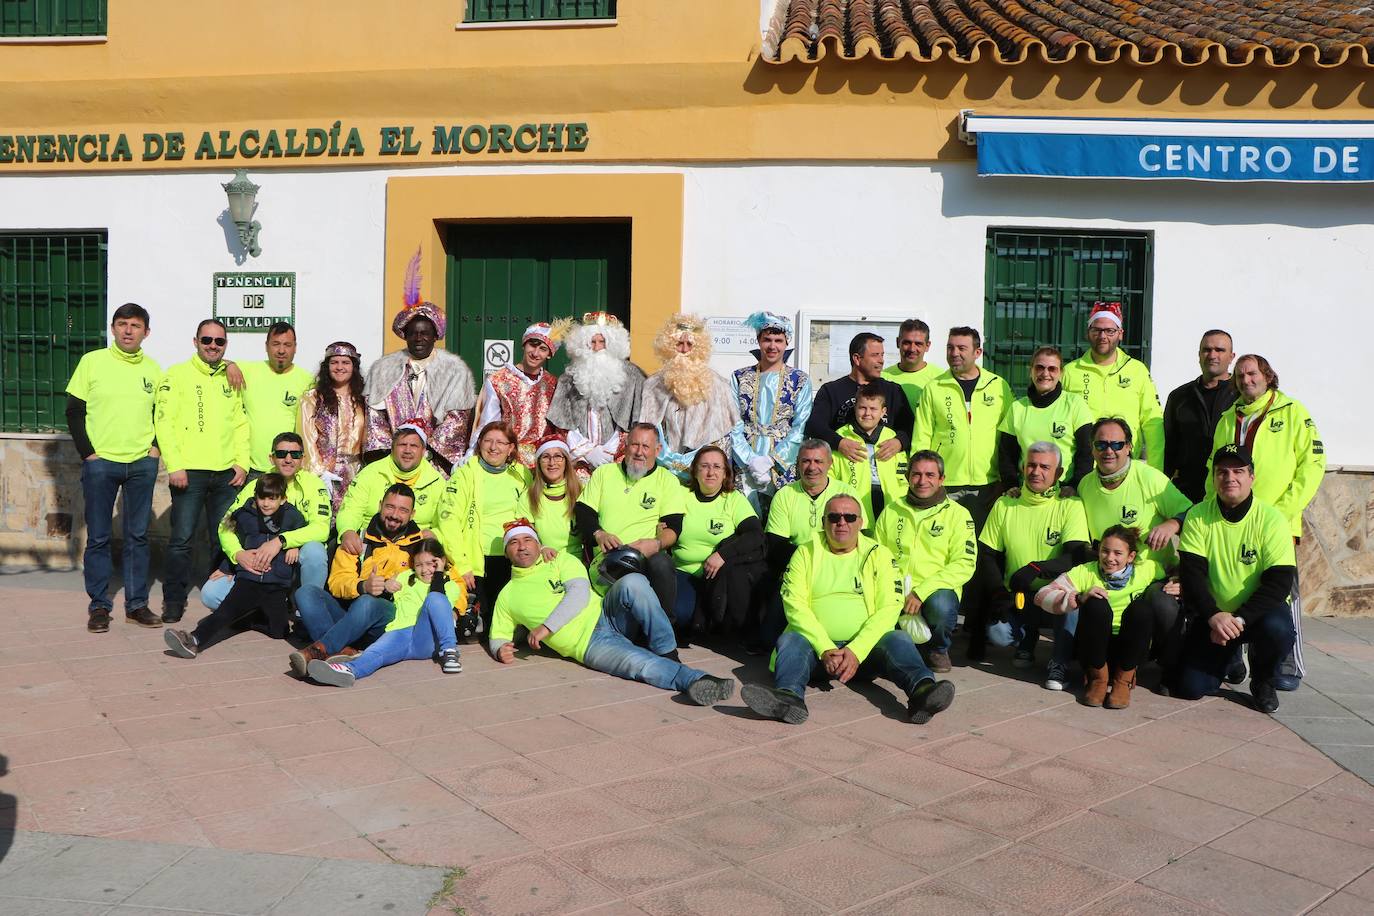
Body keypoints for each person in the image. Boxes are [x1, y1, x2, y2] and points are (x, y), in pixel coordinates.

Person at [741, 493, 956, 725]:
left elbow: (890, 608)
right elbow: (794, 604)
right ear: (823, 522)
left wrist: (856, 650)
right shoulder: (805, 553)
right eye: (833, 517)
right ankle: (789, 698)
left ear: (861, 523)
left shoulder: (880, 554)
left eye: (849, 517)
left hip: (866, 654)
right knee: (791, 640)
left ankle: (923, 692)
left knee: (898, 638)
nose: (841, 523)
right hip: (817, 653)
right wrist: (825, 648)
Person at [492, 521, 735, 705]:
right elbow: (499, 634)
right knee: (638, 665)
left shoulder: (559, 560)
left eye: (527, 539)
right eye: (514, 542)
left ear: (538, 543)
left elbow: (579, 594)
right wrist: (499, 648)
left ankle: (667, 652)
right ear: (506, 553)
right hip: (589, 645)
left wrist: (546, 628)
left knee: (634, 582)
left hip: (608, 613)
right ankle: (698, 681)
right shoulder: (507, 594)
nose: (522, 546)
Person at [1208, 354, 1324, 691]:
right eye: (1241, 375)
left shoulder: (1292, 412)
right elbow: (1211, 468)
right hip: (1230, 519)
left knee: (1283, 593)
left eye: (1253, 373)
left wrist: (1283, 512)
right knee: (1229, 585)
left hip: (1277, 521)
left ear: (1268, 376)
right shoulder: (1229, 417)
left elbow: (1312, 465)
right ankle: (1232, 654)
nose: (1246, 380)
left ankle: (1285, 664)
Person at [1172, 445, 1297, 714]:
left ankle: (1263, 680)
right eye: (1222, 472)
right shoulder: (1197, 516)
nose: (1230, 478)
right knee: (1189, 689)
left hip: (1256, 616)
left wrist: (1239, 619)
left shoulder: (1272, 520)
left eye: (1238, 471)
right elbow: (1192, 577)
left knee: (1279, 629)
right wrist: (1214, 616)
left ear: (1252, 477)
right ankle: (1229, 658)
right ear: (1214, 478)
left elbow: (1279, 583)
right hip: (1214, 616)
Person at [66, 303, 163, 632]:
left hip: (140, 463)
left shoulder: (154, 370)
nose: (127, 331)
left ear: (145, 332)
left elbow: (162, 416)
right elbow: (74, 410)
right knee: (99, 537)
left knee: (137, 537)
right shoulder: (92, 362)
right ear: (112, 328)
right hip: (100, 463)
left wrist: (155, 449)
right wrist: (88, 454)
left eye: (135, 325)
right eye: (122, 324)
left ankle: (136, 605)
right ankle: (99, 606)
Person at [155, 318, 250, 623]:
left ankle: (218, 593)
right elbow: (164, 423)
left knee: (223, 538)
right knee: (181, 538)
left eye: (219, 341)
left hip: (225, 473)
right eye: (206, 340)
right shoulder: (176, 375)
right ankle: (173, 598)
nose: (212, 346)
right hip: (189, 473)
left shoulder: (231, 376)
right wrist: (175, 465)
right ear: (195, 341)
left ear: (226, 345)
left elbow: (240, 423)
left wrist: (242, 462)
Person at [976, 442, 1090, 688]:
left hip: (1055, 593)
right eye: (1031, 465)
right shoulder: (1006, 503)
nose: (1036, 472)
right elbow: (987, 555)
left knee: (1072, 603)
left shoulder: (1071, 505)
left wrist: (1037, 568)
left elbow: (1075, 556)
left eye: (1044, 467)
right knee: (998, 634)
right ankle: (1027, 639)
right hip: (1019, 594)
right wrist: (998, 593)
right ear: (1023, 467)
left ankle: (1059, 661)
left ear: (1058, 473)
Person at [163, 473, 305, 659]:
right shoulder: (244, 516)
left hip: (276, 584)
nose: (266, 503)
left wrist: (294, 545)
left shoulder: (292, 516)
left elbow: (304, 532)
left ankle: (250, 618)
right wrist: (228, 566)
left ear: (283, 499)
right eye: (262, 497)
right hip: (249, 580)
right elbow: (231, 539)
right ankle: (194, 639)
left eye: (272, 498)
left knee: (280, 631)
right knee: (224, 613)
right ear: (255, 497)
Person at [289, 484, 424, 675]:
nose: (395, 515)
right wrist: (362, 586)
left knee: (369, 602)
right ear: (380, 506)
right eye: (390, 507)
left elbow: (445, 580)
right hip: (351, 616)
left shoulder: (421, 545)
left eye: (403, 510)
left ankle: (319, 651)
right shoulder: (358, 538)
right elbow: (336, 582)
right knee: (306, 592)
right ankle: (342, 652)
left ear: (412, 514)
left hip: (390, 621)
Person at [364, 248, 476, 470]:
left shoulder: (454, 371)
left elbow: (457, 418)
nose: (419, 338)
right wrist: (395, 452)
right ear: (404, 335)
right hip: (393, 461)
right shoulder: (385, 370)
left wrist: (427, 451)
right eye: (413, 332)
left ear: (435, 336)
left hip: (434, 462)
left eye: (425, 333)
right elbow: (375, 417)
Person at [199, 431, 331, 613]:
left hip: (293, 560)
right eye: (281, 453)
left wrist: (281, 541)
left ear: (303, 458)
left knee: (315, 551)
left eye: (295, 454)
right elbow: (226, 525)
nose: (288, 459)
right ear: (271, 458)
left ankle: (307, 613)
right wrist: (236, 555)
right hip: (258, 561)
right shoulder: (256, 485)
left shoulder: (314, 485)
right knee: (210, 595)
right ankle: (261, 611)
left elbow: (321, 529)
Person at [1035, 525, 1164, 709]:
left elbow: (1174, 570)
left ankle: (1123, 681)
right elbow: (1041, 596)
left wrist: (1177, 582)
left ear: (1131, 556)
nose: (1110, 558)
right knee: (1096, 603)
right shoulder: (1086, 571)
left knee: (1142, 609)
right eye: (1105, 551)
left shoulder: (1147, 569)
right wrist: (1078, 598)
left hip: (1128, 652)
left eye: (1118, 553)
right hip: (1094, 650)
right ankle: (1097, 680)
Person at [305, 538, 466, 686]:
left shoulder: (450, 586)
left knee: (435, 599)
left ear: (441, 562)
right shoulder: (405, 577)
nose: (424, 570)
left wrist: (438, 573)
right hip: (399, 632)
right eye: (419, 565)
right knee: (375, 652)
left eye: (431, 563)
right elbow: (386, 596)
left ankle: (450, 652)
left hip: (425, 638)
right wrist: (386, 588)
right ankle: (347, 670)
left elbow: (439, 604)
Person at [874, 451, 975, 675]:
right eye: (916, 474)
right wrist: (894, 588)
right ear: (908, 477)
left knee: (941, 606)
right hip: (895, 586)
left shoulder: (959, 515)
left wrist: (921, 592)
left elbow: (964, 563)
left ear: (941, 479)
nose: (922, 481)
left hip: (934, 589)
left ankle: (937, 649)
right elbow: (877, 554)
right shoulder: (892, 510)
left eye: (930, 475)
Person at [575, 423, 686, 620]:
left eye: (646, 447)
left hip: (643, 560)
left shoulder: (667, 480)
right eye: (635, 445)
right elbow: (584, 511)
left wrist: (656, 543)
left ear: (657, 450)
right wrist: (599, 534)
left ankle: (664, 627)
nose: (639, 452)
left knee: (662, 562)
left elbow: (674, 528)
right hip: (607, 562)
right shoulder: (604, 473)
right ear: (625, 446)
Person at [911, 326, 1011, 531]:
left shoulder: (998, 386)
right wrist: (924, 478)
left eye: (961, 348)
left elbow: (1009, 436)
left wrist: (1006, 478)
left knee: (984, 547)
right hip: (947, 484)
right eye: (950, 348)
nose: (954, 353)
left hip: (988, 484)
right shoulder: (934, 387)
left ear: (977, 352)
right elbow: (922, 436)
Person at [760, 440, 858, 651]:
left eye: (818, 461)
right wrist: (808, 564)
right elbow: (776, 545)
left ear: (830, 463)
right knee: (767, 641)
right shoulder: (785, 495)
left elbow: (859, 538)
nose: (812, 467)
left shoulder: (846, 493)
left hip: (840, 566)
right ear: (797, 464)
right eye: (805, 461)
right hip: (797, 568)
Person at [437, 421, 531, 638]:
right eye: (488, 441)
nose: (493, 447)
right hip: (476, 561)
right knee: (472, 629)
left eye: (501, 442)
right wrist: (462, 563)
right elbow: (448, 520)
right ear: (479, 444)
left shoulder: (522, 475)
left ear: (511, 448)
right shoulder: (465, 474)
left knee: (509, 627)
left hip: (512, 558)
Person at [672, 446, 766, 638]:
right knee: (681, 617)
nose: (710, 472)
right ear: (695, 471)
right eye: (704, 466)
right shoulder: (680, 496)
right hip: (683, 571)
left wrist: (722, 555)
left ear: (725, 474)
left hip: (718, 575)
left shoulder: (733, 500)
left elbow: (756, 535)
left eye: (717, 467)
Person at [1078, 417, 1191, 568]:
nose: (1109, 451)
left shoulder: (1149, 477)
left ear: (1129, 447)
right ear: (1092, 448)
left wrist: (1173, 524)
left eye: (1117, 445)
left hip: (1156, 578)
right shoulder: (1085, 485)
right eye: (1101, 445)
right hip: (1108, 578)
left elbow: (1193, 514)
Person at [1064, 301, 1165, 470]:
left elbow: (1152, 423)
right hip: (1083, 469)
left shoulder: (1137, 370)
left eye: (1110, 331)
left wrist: (1156, 471)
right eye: (1096, 330)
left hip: (1126, 466)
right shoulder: (1070, 372)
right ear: (1088, 333)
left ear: (1120, 334)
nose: (1103, 336)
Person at [546, 311, 646, 478]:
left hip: (619, 458)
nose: (597, 347)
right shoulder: (569, 378)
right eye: (592, 342)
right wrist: (588, 451)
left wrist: (611, 450)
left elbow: (637, 421)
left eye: (602, 341)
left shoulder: (633, 376)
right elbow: (561, 423)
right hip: (579, 461)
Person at [639, 313, 740, 479]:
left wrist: (694, 459)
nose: (684, 350)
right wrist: (667, 458)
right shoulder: (653, 385)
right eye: (679, 344)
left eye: (689, 344)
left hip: (702, 472)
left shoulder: (719, 385)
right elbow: (648, 429)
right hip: (662, 469)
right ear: (669, 345)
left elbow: (723, 436)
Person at [729, 311, 813, 508]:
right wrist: (750, 459)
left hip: (784, 460)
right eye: (767, 339)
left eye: (778, 340)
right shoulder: (740, 377)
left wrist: (772, 460)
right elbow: (732, 421)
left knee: (781, 515)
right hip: (745, 457)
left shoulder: (800, 380)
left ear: (786, 343)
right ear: (759, 340)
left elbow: (800, 426)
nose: (772, 346)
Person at [998, 346, 1093, 496]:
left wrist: (1075, 485)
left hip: (1064, 492)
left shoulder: (1075, 404)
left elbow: (1086, 452)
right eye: (1039, 368)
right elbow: (1006, 455)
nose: (1045, 373)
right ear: (1031, 371)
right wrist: (1011, 485)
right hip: (1027, 493)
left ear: (1061, 373)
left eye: (1052, 369)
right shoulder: (1017, 408)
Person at [336, 422, 446, 549]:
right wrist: (347, 531)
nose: (407, 450)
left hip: (416, 548)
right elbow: (351, 509)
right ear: (392, 447)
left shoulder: (437, 482)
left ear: (423, 451)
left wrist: (436, 534)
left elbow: (447, 522)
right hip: (371, 542)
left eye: (414, 446)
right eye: (402, 445)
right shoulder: (370, 473)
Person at [470, 322, 564, 467]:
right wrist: (473, 451)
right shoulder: (498, 380)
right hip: (509, 459)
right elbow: (488, 423)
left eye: (543, 349)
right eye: (532, 345)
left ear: (549, 354)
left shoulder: (553, 384)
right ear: (524, 345)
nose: (535, 353)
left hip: (543, 462)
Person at [805, 332, 913, 458]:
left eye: (882, 355)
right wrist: (839, 443)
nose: (881, 360)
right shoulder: (831, 391)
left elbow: (911, 427)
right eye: (875, 355)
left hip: (883, 468)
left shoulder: (893, 391)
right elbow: (815, 426)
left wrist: (899, 441)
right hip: (842, 468)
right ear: (857, 358)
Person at [1163, 330, 1236, 503]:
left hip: (1229, 489)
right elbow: (1169, 446)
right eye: (1206, 350)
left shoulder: (1241, 396)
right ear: (1199, 355)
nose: (1212, 355)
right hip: (1186, 491)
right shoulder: (1179, 397)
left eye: (1219, 350)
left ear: (1232, 356)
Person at [235, 322, 313, 479]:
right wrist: (229, 365)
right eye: (276, 344)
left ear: (295, 347)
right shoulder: (246, 371)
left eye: (287, 345)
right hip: (251, 469)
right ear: (266, 346)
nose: (281, 350)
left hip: (289, 468)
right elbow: (216, 364)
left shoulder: (307, 381)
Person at [829, 384, 909, 531]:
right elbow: (831, 476)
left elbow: (903, 476)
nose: (867, 413)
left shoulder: (891, 438)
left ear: (883, 411)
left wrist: (900, 500)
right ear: (855, 408)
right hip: (854, 504)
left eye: (873, 409)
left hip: (889, 502)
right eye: (862, 408)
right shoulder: (842, 437)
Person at [301, 341, 368, 513]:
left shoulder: (363, 400)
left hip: (356, 474)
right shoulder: (313, 398)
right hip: (324, 473)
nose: (340, 367)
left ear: (354, 366)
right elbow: (306, 438)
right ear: (327, 366)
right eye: (334, 362)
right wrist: (319, 473)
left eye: (345, 362)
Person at [526, 435, 581, 558]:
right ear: (539, 463)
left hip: (575, 561)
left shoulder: (581, 492)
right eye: (545, 457)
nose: (552, 463)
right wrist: (541, 547)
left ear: (566, 461)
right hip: (542, 560)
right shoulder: (529, 495)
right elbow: (524, 531)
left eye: (558, 456)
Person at [881, 318, 940, 415]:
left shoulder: (939, 379)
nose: (912, 349)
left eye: (918, 344)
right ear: (897, 342)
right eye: (907, 343)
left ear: (927, 346)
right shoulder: (883, 378)